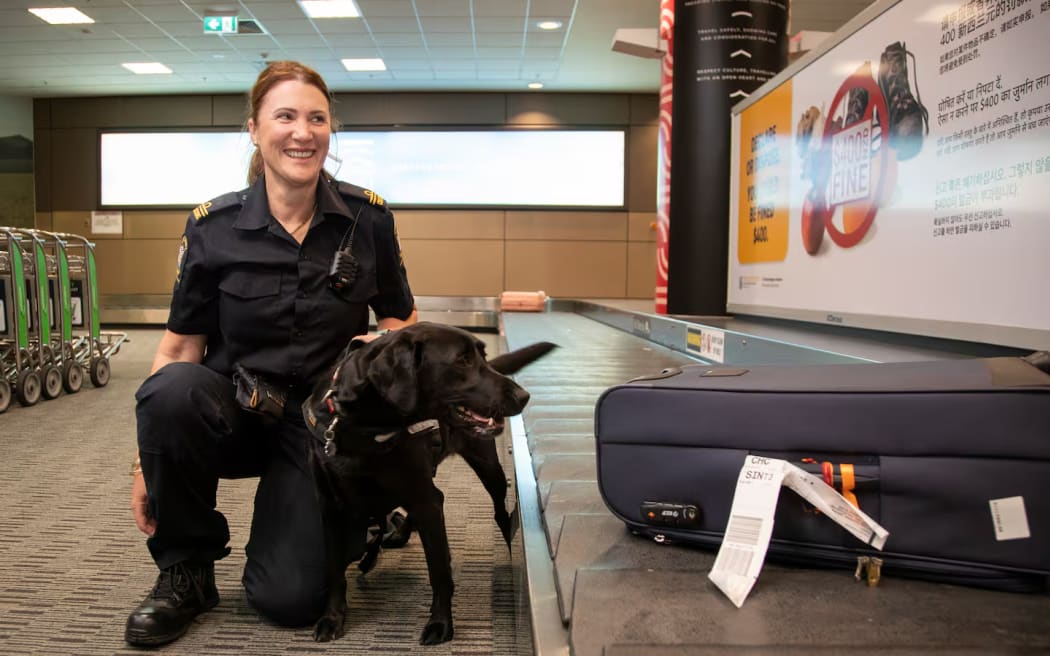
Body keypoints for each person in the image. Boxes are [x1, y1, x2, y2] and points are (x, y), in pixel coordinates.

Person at [124, 60, 417, 648]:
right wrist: (143, 463)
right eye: (285, 116)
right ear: (255, 129)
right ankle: (185, 571)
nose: (302, 132)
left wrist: (382, 348)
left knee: (289, 601)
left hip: (316, 428)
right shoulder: (214, 227)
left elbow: (400, 321)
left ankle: (355, 513)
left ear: (330, 131)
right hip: (231, 410)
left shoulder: (369, 220)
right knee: (170, 390)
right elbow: (180, 346)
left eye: (317, 118)